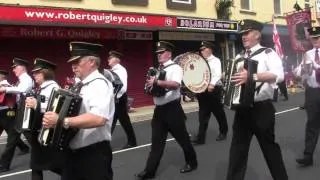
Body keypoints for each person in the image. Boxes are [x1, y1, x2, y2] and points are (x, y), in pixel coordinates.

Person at [42, 42, 115, 180]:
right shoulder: (80, 85)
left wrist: (61, 120)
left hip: (93, 154)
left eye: (77, 61)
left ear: (92, 62)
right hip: (75, 152)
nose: (73, 66)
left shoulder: (99, 84)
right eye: (72, 62)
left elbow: (99, 118)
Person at [226, 19, 288, 180]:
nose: (243, 37)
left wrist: (252, 76)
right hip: (242, 111)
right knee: (237, 152)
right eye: (242, 34)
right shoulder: (239, 57)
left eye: (247, 33)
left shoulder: (268, 53)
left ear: (257, 35)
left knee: (270, 150)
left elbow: (279, 75)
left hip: (262, 110)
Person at [135, 41, 197, 180]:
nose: (159, 55)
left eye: (161, 52)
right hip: (159, 111)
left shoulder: (175, 68)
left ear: (169, 53)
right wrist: (149, 88)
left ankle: (192, 162)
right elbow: (152, 87)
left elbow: (175, 85)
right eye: (157, 53)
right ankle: (149, 171)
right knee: (156, 143)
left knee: (183, 140)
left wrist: (156, 82)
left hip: (173, 110)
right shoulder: (157, 69)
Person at [24, 58, 64, 180]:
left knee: (51, 164)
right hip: (38, 129)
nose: (34, 75)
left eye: (37, 73)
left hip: (47, 131)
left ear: (45, 73)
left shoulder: (53, 87)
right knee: (36, 165)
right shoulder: (41, 88)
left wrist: (36, 105)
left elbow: (57, 108)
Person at [191, 41, 228, 145]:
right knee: (203, 115)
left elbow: (217, 74)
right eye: (201, 49)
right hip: (203, 90)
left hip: (214, 89)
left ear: (210, 49)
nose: (202, 51)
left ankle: (223, 131)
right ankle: (200, 138)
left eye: (204, 49)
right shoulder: (200, 61)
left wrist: (211, 84)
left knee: (218, 112)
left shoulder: (215, 60)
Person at [0, 58, 32, 172]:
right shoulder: (21, 79)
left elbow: (21, 90)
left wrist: (5, 89)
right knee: (17, 137)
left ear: (22, 67)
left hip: (24, 111)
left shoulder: (26, 79)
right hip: (19, 111)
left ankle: (4, 165)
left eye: (15, 68)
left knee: (14, 139)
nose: (14, 70)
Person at [295, 26, 320, 167]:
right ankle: (308, 156)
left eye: (317, 38)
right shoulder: (307, 54)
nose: (315, 41)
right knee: (312, 124)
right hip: (313, 92)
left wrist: (316, 66)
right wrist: (302, 70)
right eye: (313, 38)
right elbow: (298, 73)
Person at [108, 50, 137, 149]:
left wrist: (115, 97)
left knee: (124, 121)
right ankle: (105, 142)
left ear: (116, 59)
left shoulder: (120, 70)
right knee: (111, 120)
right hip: (115, 99)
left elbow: (122, 87)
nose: (108, 60)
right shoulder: (112, 70)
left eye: (110, 58)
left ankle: (132, 141)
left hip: (119, 99)